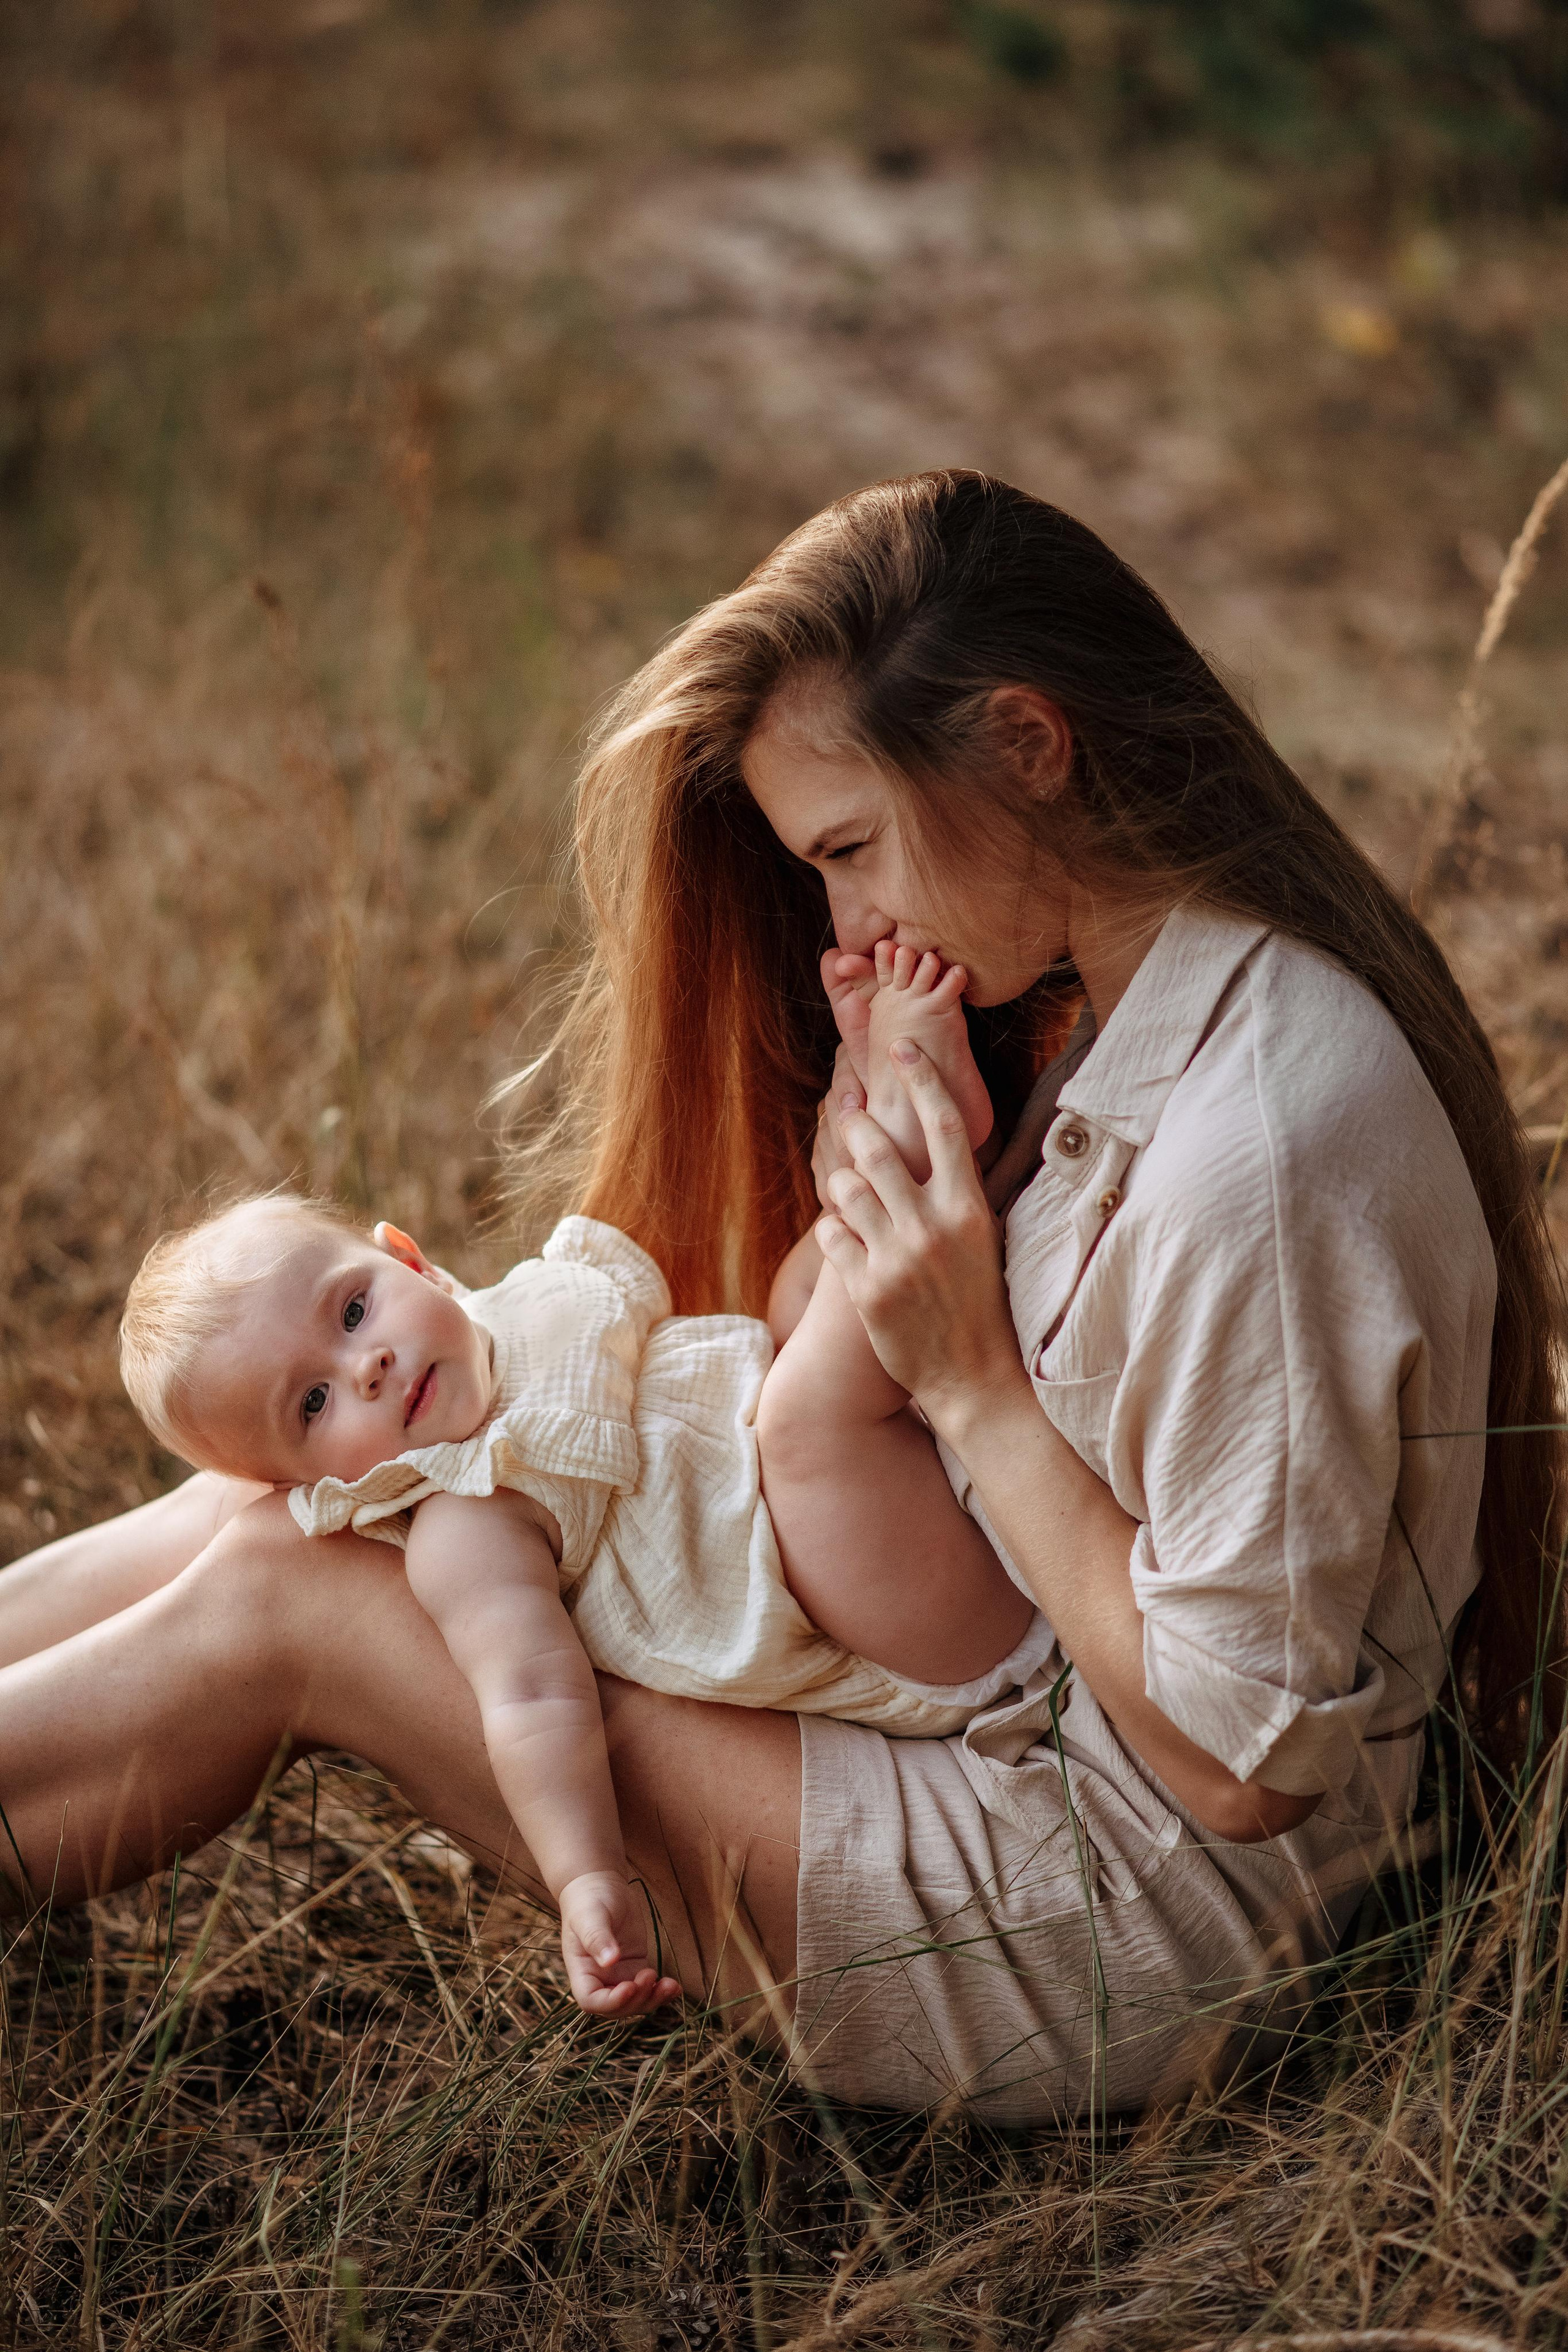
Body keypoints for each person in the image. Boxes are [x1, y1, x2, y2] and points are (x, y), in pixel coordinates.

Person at [1, 472, 1560, 2122]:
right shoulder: (1107, 997)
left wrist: (963, 1381)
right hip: (996, 1718)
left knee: (302, 1595)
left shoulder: (1270, 1147)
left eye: (852, 848)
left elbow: (1239, 1766)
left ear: (1031, 743)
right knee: (291, 1513)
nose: (847, 919)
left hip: (1124, 1923)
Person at [110, 944, 1042, 2016]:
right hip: (914, 1625)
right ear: (303, 1487)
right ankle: (915, 1140)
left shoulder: (531, 1308)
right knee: (808, 1414)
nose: (362, 1365)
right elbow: (531, 1697)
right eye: (314, 1406)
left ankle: (886, 1131)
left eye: (353, 1310)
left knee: (795, 1307)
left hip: (899, 1492)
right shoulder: (470, 1520)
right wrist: (586, 1872)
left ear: (406, 1257)